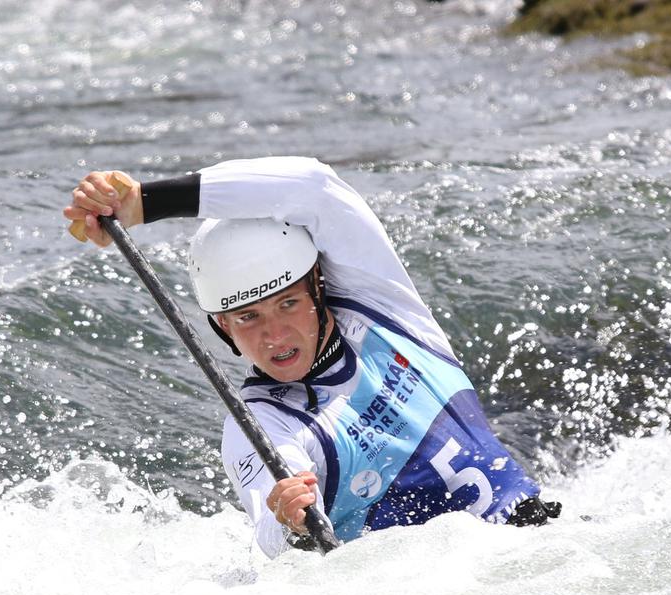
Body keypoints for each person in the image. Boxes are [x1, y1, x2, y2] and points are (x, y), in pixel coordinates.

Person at [63, 156, 559, 557]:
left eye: (287, 303)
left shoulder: (386, 308)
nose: (276, 335)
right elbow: (268, 526)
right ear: (221, 326)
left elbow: (314, 186)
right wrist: (289, 519)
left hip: (554, 543)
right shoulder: (261, 422)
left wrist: (143, 203)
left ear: (318, 285)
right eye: (247, 318)